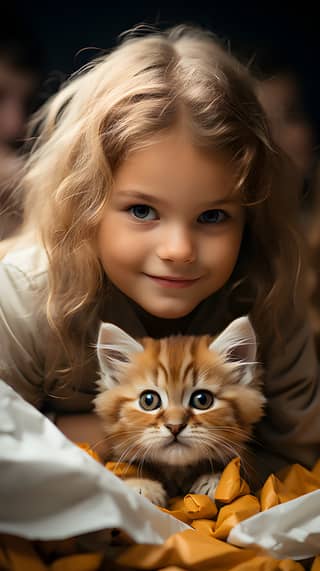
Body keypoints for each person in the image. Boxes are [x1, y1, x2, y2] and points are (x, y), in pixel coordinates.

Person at [0, 25, 319, 486]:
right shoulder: (22, 298)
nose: (179, 251)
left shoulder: (267, 289)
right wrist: (109, 434)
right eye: (143, 210)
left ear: (250, 215)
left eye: (212, 216)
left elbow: (297, 459)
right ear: (84, 205)